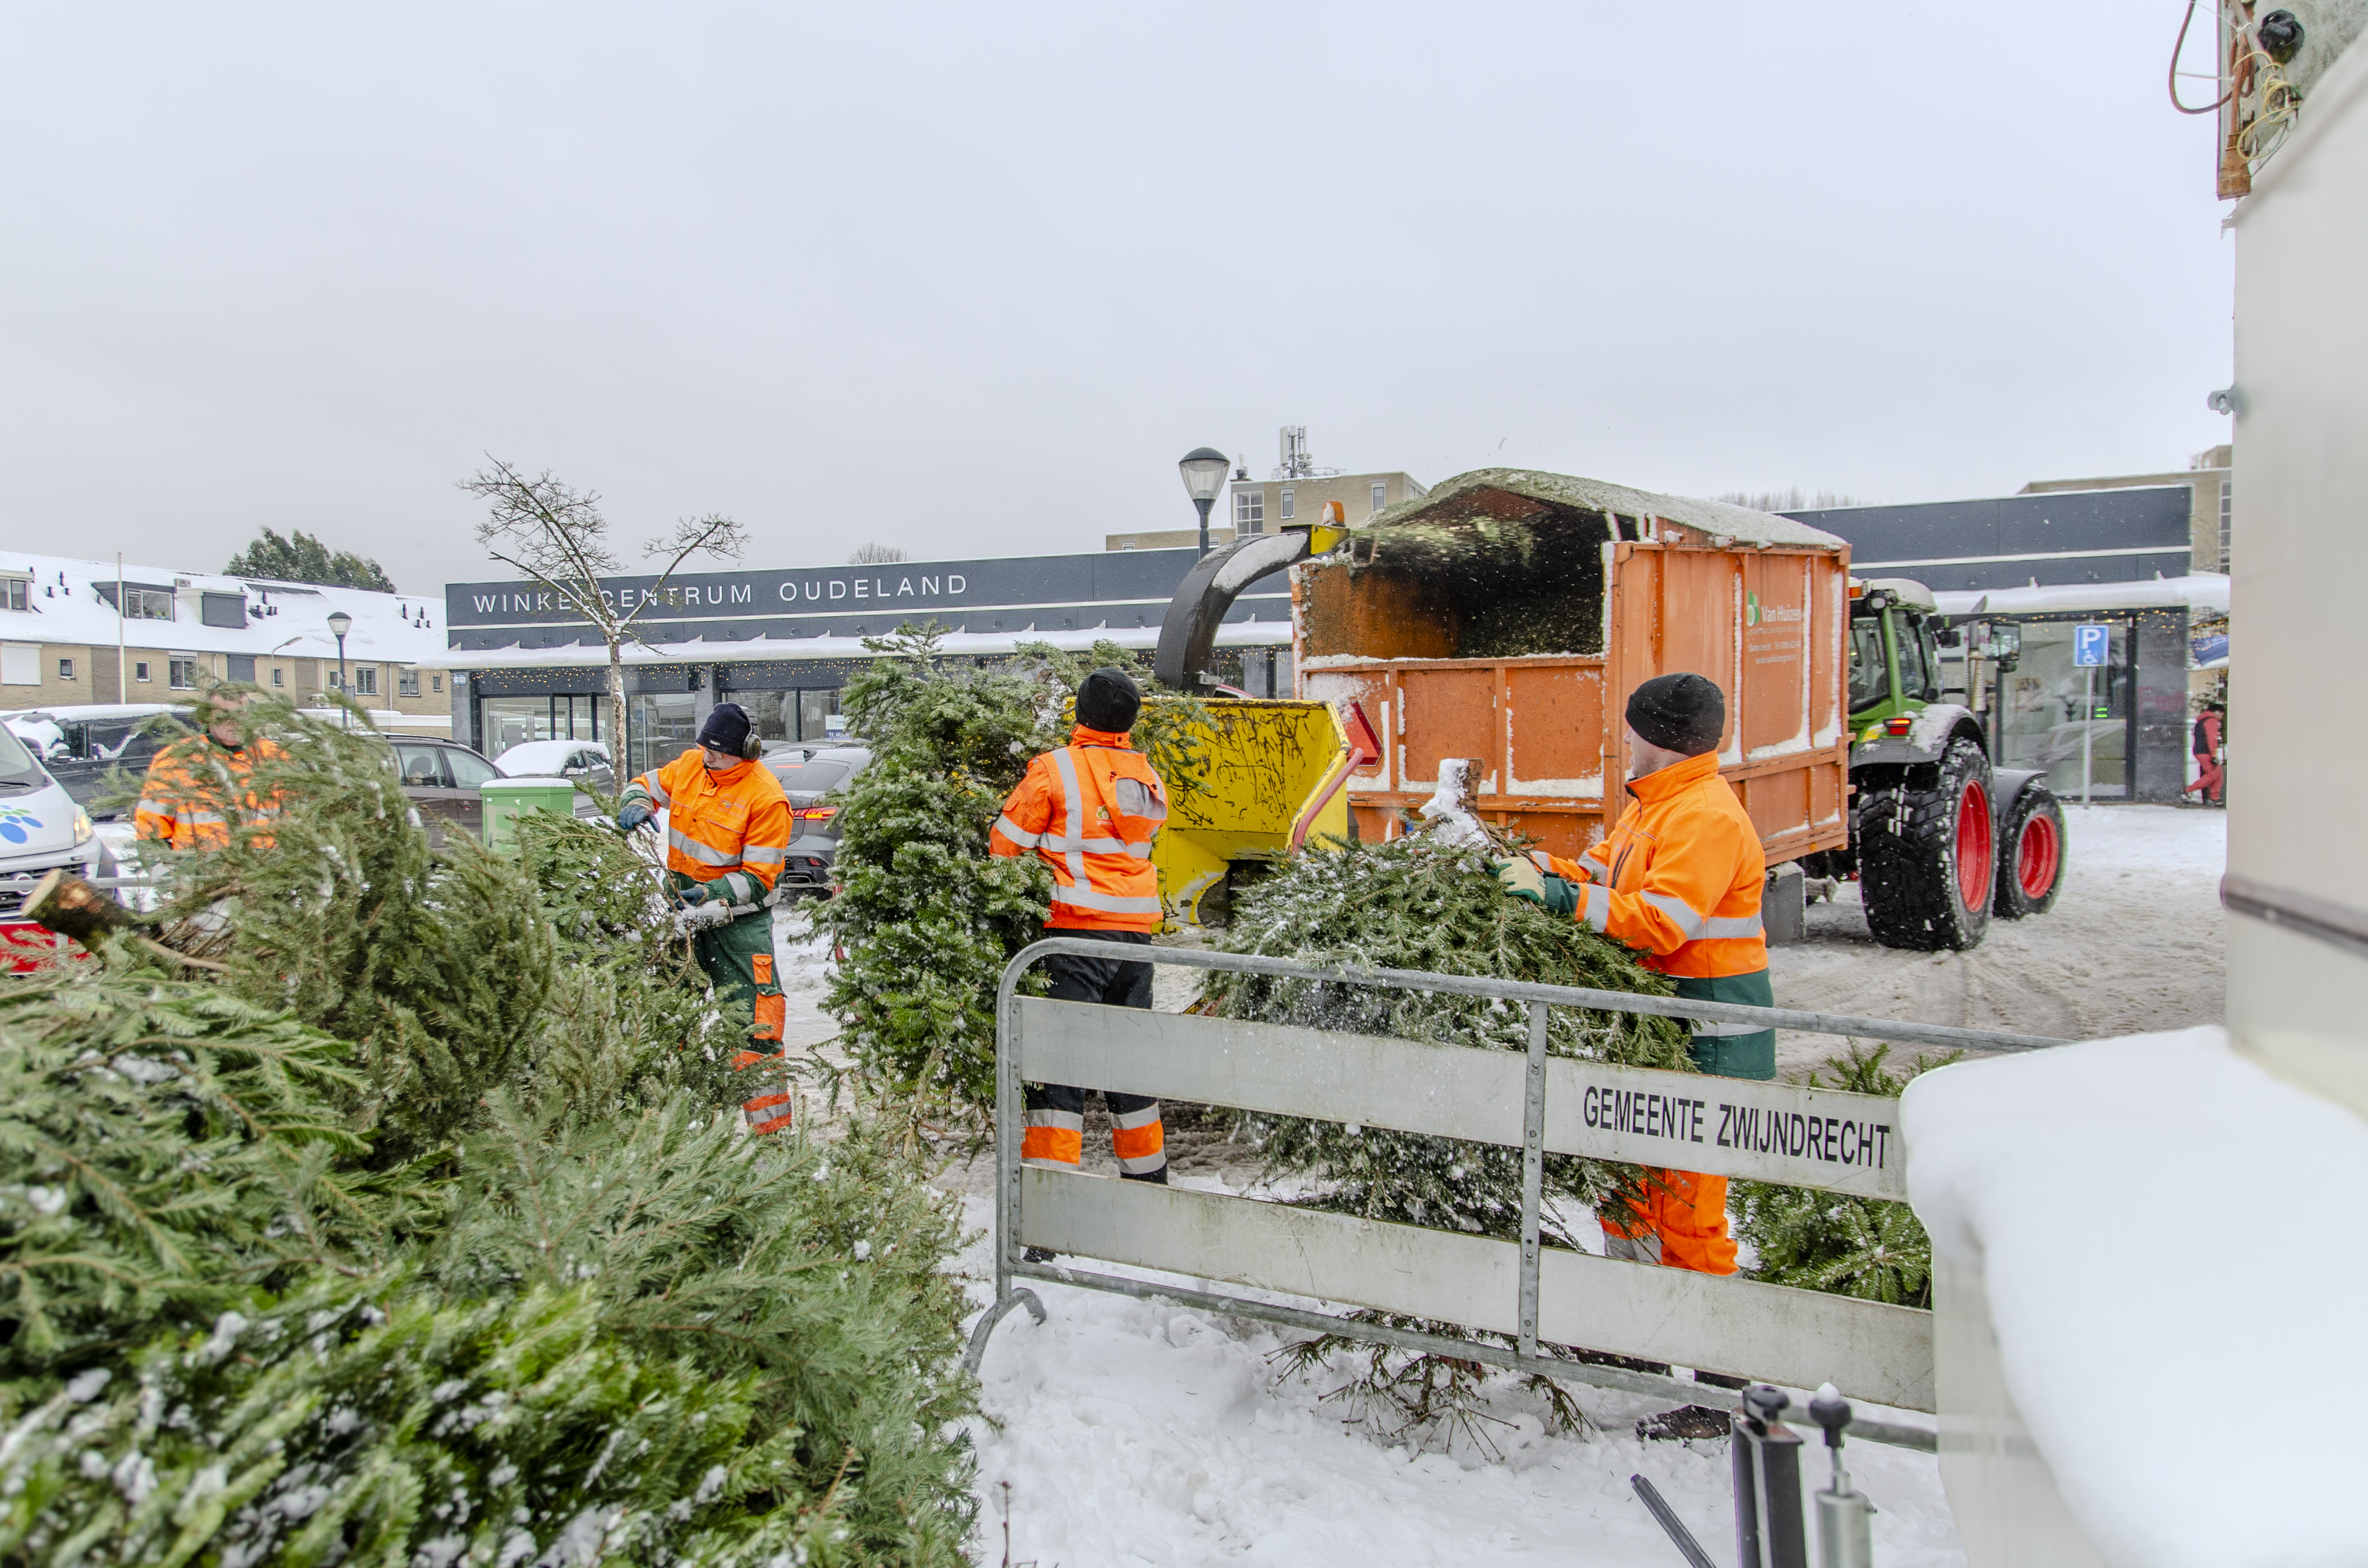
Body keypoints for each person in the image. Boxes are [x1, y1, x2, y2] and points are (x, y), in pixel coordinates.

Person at [1497, 671, 1770, 1275]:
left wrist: (1554, 898)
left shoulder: (1705, 818)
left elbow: (1658, 921)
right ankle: (1629, 1330)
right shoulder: (1655, 805)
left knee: (1687, 1212)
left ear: (1657, 735)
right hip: (1658, 1026)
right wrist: (1526, 865)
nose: (1624, 735)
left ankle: (1714, 1361)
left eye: (1632, 724)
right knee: (1628, 1196)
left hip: (1708, 1040)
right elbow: (1595, 876)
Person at [990, 667, 1171, 1188]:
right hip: (1136, 938)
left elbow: (1004, 846)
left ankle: (1052, 1203)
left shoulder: (1055, 770)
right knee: (1129, 1064)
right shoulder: (1145, 775)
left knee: (1059, 1071)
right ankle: (1148, 1187)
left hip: (1074, 936)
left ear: (1080, 713)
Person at [616, 702, 796, 1131]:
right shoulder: (692, 766)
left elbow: (760, 880)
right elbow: (645, 783)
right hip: (682, 918)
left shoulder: (766, 798)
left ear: (748, 751)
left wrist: (710, 893)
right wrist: (637, 801)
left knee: (755, 1028)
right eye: (704, 749)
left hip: (738, 927)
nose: (708, 758)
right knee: (666, 1015)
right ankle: (671, 1123)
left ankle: (772, 1140)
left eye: (717, 753)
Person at [134, 695, 285, 851]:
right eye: (225, 715)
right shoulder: (177, 759)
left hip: (266, 869)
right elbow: (150, 831)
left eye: (242, 713)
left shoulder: (277, 757)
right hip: (200, 869)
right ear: (206, 718)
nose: (235, 721)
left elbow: (300, 822)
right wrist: (166, 872)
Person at [2183, 700, 2225, 806]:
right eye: (2222, 714)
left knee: (2218, 775)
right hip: (2206, 752)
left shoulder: (2202, 720)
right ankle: (2189, 791)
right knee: (2212, 775)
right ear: (2217, 712)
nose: (2222, 717)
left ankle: (2214, 798)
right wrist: (2213, 756)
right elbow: (2212, 739)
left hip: (2201, 751)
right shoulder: (2212, 721)